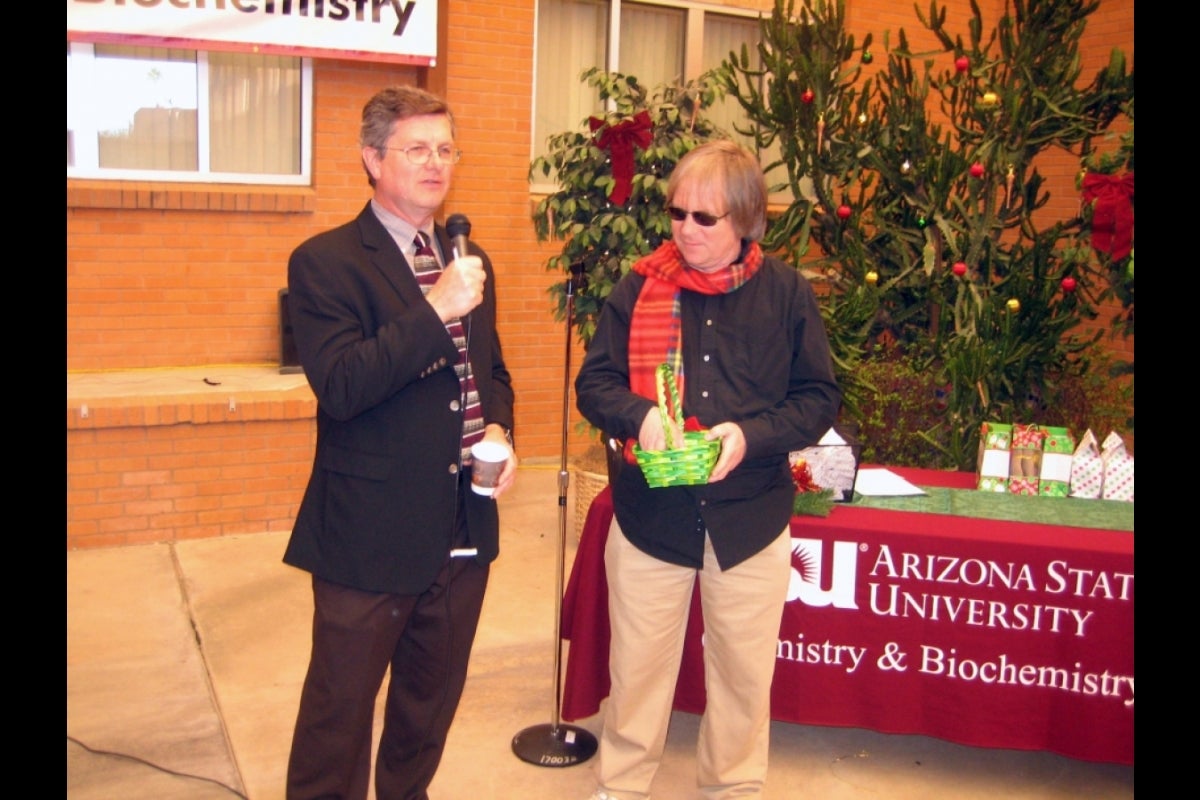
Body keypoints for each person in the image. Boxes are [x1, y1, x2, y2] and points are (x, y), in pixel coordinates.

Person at [574, 139, 841, 800]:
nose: (684, 229)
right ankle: (621, 786)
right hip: (649, 521)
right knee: (636, 673)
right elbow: (595, 383)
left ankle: (733, 788)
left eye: (705, 218)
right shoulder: (638, 287)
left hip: (749, 519)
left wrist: (750, 436)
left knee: (743, 678)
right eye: (677, 212)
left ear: (746, 221)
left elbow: (817, 398)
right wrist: (639, 417)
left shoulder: (785, 293)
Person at [282, 85, 517, 800]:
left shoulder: (469, 260)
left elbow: (491, 371)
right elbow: (344, 386)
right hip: (369, 534)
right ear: (371, 159)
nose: (435, 163)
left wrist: (499, 431)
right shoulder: (325, 263)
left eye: (445, 149)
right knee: (339, 717)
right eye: (417, 148)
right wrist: (434, 306)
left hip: (463, 523)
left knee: (427, 711)